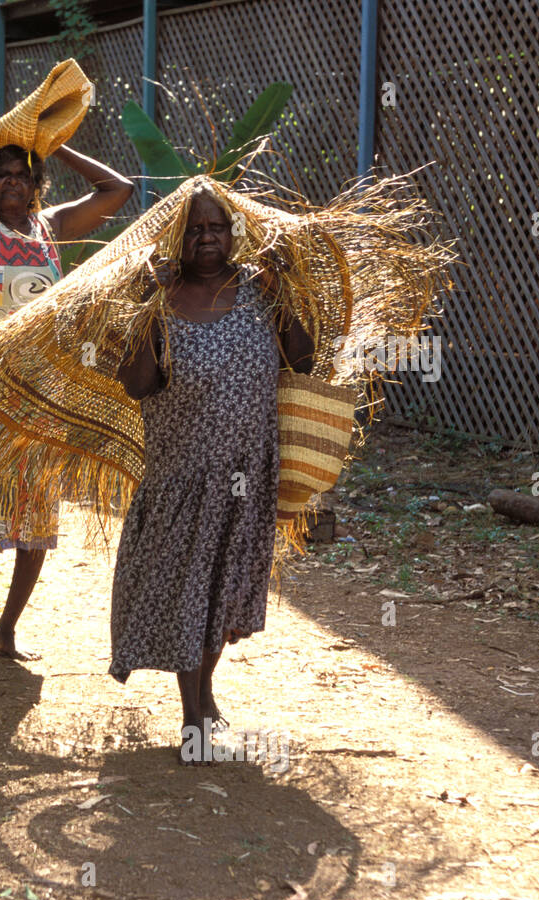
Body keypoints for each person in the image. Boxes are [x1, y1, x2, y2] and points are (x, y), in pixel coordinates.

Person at [112, 189, 314, 765]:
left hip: (247, 477)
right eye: (195, 228)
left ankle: (203, 694)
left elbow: (300, 359)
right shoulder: (162, 299)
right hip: (183, 478)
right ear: (178, 237)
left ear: (233, 234)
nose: (206, 236)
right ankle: (192, 716)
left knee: (224, 594)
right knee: (189, 593)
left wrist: (286, 294)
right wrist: (145, 305)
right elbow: (137, 384)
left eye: (217, 226)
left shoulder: (259, 291)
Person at [0, 122, 133, 658]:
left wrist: (53, 144)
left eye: (23, 174)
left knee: (37, 514)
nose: (14, 182)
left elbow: (120, 189)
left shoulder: (52, 226)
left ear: (36, 181)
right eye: (3, 175)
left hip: (40, 393)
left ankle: (6, 629)